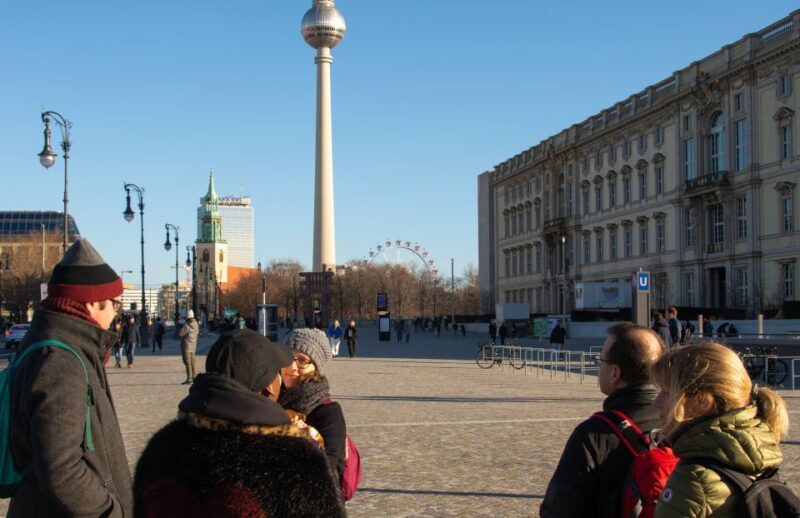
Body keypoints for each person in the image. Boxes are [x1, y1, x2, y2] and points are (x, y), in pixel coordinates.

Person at [134, 329, 345, 517]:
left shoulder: (162, 445)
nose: (289, 369)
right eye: (277, 370)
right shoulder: (295, 460)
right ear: (267, 387)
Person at [9, 238, 133, 517]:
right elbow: (61, 468)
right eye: (115, 303)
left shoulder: (64, 345)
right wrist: (109, 510)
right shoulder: (60, 361)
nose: (116, 312)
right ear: (91, 305)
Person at [540, 323, 664, 518]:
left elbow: (560, 510)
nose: (599, 366)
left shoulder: (594, 434)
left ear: (615, 373)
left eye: (601, 360)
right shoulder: (681, 423)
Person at [651, 342, 789, 517]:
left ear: (701, 401)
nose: (656, 402)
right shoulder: (761, 451)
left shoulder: (693, 479)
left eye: (666, 392)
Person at [280, 328, 347, 488]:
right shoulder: (270, 397)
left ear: (316, 368)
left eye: (302, 361)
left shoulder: (329, 413)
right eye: (287, 357)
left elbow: (325, 471)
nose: (292, 366)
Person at [179, 309, 200, 385]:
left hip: (186, 346)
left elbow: (181, 334)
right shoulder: (196, 323)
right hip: (193, 345)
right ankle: (194, 377)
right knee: (192, 362)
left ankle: (189, 378)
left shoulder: (187, 325)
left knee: (187, 362)